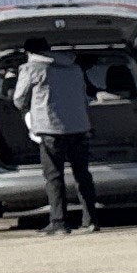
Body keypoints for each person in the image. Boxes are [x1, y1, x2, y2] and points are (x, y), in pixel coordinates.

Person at [13, 43, 97, 233]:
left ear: (29, 52)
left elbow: (19, 101)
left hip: (51, 129)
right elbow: (84, 98)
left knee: (54, 177)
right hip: (79, 127)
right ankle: (90, 220)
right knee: (82, 175)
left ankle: (59, 222)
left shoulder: (31, 69)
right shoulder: (74, 68)